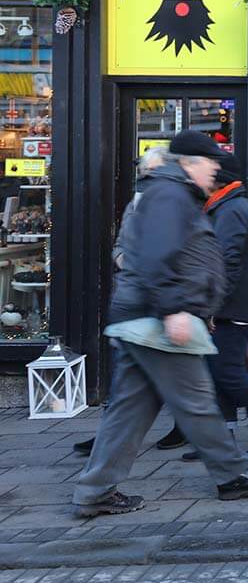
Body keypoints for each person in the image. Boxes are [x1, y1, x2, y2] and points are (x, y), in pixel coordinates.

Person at [72, 131, 248, 517]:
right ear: (189, 162)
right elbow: (156, 256)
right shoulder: (170, 194)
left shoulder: (171, 192)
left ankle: (94, 490)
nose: (215, 170)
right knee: (198, 401)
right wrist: (174, 310)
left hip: (143, 318)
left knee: (129, 411)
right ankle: (233, 474)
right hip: (158, 320)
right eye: (210, 163)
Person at [74, 146, 185, 456]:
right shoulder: (135, 204)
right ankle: (106, 447)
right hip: (137, 305)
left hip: (164, 307)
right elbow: (120, 246)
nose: (145, 177)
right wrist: (127, 260)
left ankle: (207, 443)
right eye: (144, 172)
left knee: (181, 386)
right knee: (130, 386)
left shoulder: (177, 203)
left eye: (151, 171)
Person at [181, 151, 248, 461]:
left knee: (227, 371)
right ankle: (223, 439)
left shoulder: (230, 210)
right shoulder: (222, 207)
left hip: (235, 305)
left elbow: (226, 263)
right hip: (232, 303)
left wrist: (212, 307)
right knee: (219, 371)